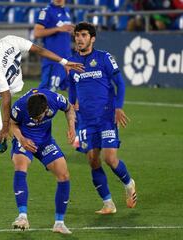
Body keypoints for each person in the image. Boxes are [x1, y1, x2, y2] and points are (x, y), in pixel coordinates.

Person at [67, 22, 137, 214]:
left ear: (92, 38)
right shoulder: (71, 64)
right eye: (77, 35)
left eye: (83, 35)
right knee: (92, 160)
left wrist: (118, 107)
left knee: (110, 158)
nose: (79, 39)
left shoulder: (104, 58)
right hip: (85, 120)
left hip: (106, 116)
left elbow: (120, 84)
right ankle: (108, 203)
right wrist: (72, 118)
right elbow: (72, 92)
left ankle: (129, 183)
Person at [9, 88, 75, 234]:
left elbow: (69, 109)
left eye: (38, 117)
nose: (36, 120)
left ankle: (59, 223)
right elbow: (12, 124)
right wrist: (21, 139)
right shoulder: (20, 106)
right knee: (21, 166)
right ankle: (22, 217)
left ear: (46, 108)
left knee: (63, 175)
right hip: (25, 140)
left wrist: (71, 126)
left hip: (45, 142)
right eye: (33, 118)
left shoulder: (55, 100)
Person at [34, 0, 74, 92]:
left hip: (67, 59)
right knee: (47, 91)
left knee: (74, 91)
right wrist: (58, 29)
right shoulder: (46, 11)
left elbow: (64, 30)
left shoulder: (66, 10)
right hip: (53, 59)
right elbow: (37, 33)